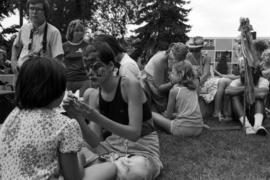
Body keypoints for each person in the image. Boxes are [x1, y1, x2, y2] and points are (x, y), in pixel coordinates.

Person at [63, 42, 163, 180]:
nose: (91, 72)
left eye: (96, 66)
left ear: (111, 66)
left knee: (137, 170)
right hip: (110, 148)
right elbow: (95, 142)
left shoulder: (129, 85)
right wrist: (78, 117)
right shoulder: (94, 96)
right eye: (87, 68)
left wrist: (97, 117)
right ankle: (107, 168)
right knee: (70, 152)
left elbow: (134, 133)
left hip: (141, 150)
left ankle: (100, 169)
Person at [152, 61, 205, 136]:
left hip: (182, 129)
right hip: (199, 128)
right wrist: (174, 115)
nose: (170, 74)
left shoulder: (174, 91)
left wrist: (164, 114)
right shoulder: (193, 88)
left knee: (152, 114)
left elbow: (168, 116)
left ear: (180, 75)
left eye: (173, 73)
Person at [11, 0, 64, 75]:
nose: (34, 12)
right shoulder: (24, 28)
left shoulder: (54, 32)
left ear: (45, 12)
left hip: (42, 77)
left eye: (38, 9)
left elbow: (58, 58)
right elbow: (16, 46)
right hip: (21, 74)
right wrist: (13, 61)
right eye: (32, 8)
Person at [186, 36, 232, 121]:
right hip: (193, 81)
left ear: (201, 48)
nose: (195, 52)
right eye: (193, 50)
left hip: (204, 81)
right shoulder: (187, 57)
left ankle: (223, 112)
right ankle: (218, 112)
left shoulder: (206, 57)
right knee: (224, 81)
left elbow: (206, 74)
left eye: (197, 49)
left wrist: (199, 82)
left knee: (226, 81)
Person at [225, 58, 269, 135]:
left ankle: (257, 126)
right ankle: (247, 126)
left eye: (246, 69)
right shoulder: (237, 81)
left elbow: (262, 94)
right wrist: (245, 88)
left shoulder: (263, 81)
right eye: (242, 69)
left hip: (256, 113)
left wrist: (245, 91)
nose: (243, 71)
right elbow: (228, 91)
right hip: (240, 115)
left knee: (259, 98)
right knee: (234, 97)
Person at [142, 42, 189, 113]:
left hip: (164, 77)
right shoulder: (161, 61)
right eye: (176, 60)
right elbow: (160, 87)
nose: (177, 63)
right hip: (151, 78)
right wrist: (174, 82)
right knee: (162, 105)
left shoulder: (179, 58)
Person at [63, 19, 90, 97]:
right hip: (67, 81)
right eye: (77, 30)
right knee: (66, 105)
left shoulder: (87, 45)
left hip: (84, 80)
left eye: (81, 30)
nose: (79, 33)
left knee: (82, 105)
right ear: (71, 32)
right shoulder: (64, 46)